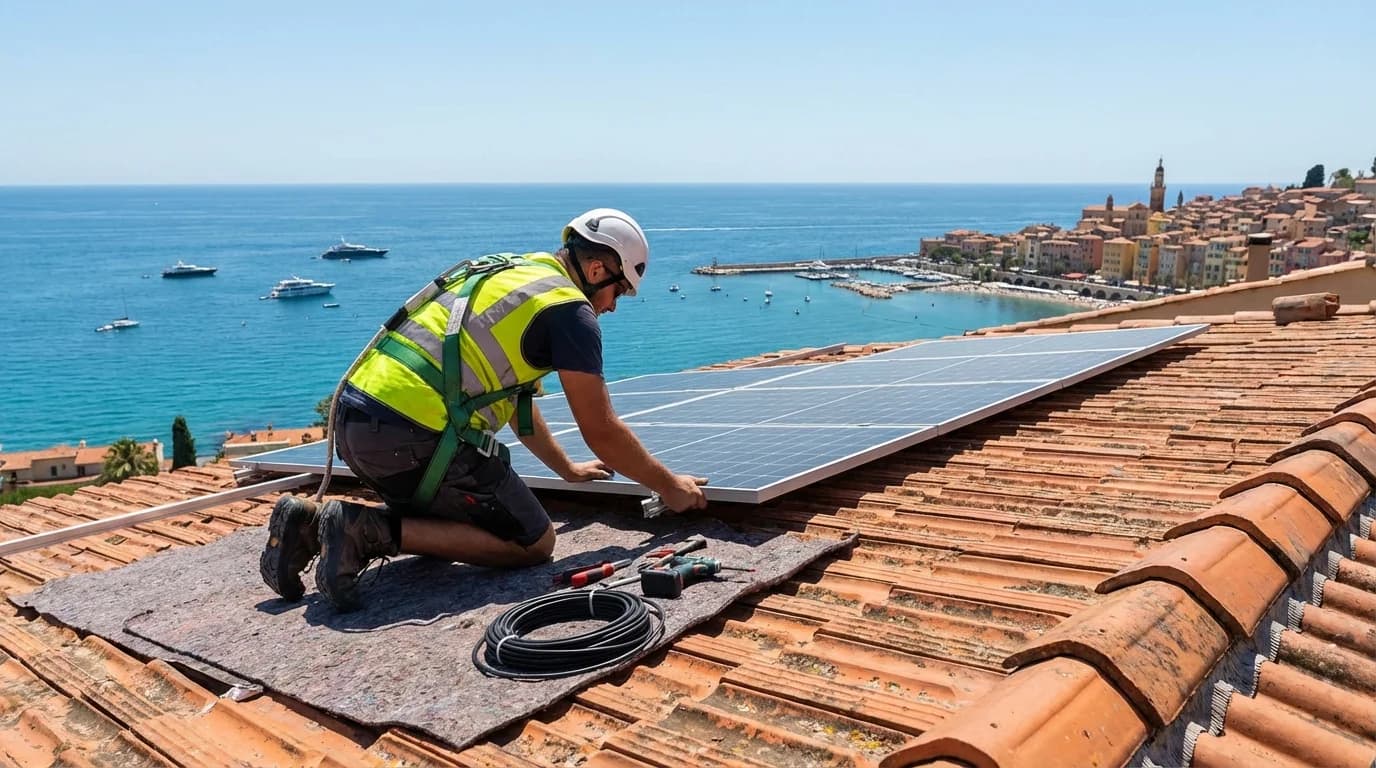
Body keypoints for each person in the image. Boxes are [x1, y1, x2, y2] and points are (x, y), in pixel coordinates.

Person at [259, 209, 708, 611]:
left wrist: (567, 470)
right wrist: (669, 486)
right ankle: (363, 530)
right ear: (595, 270)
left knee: (454, 521)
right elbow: (601, 429)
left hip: (355, 425)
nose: (612, 306)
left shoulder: (518, 271)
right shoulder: (570, 312)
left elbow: (517, 407)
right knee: (533, 541)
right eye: (618, 292)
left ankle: (308, 523)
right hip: (414, 437)